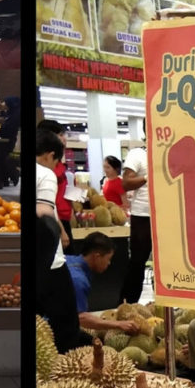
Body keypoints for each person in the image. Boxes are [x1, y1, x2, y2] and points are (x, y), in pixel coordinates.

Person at [37, 128, 86, 352]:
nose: (55, 165)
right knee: (66, 324)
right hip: (49, 262)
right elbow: (44, 211)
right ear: (49, 155)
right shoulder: (45, 173)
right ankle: (67, 373)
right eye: (55, 160)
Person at [65, 232, 140, 336]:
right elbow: (80, 318)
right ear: (97, 256)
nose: (109, 263)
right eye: (108, 259)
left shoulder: (68, 260)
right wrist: (118, 324)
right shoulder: (78, 280)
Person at [120, 130, 150, 305]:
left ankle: (159, 306)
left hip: (166, 217)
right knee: (138, 263)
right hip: (143, 215)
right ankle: (127, 305)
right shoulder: (138, 154)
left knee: (167, 265)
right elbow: (126, 182)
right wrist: (148, 176)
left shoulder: (173, 152)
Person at [37, 120, 74, 254]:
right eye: (59, 134)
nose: (63, 138)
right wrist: (61, 230)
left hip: (63, 218)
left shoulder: (58, 166)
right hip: (53, 221)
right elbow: (46, 207)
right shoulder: (47, 171)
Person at [0, 96, 21, 188]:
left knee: (3, 160)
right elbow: (5, 118)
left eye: (6, 103)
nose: (4, 104)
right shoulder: (11, 112)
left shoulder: (16, 115)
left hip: (8, 140)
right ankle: (4, 179)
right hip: (3, 139)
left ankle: (14, 175)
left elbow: (9, 126)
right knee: (1, 159)